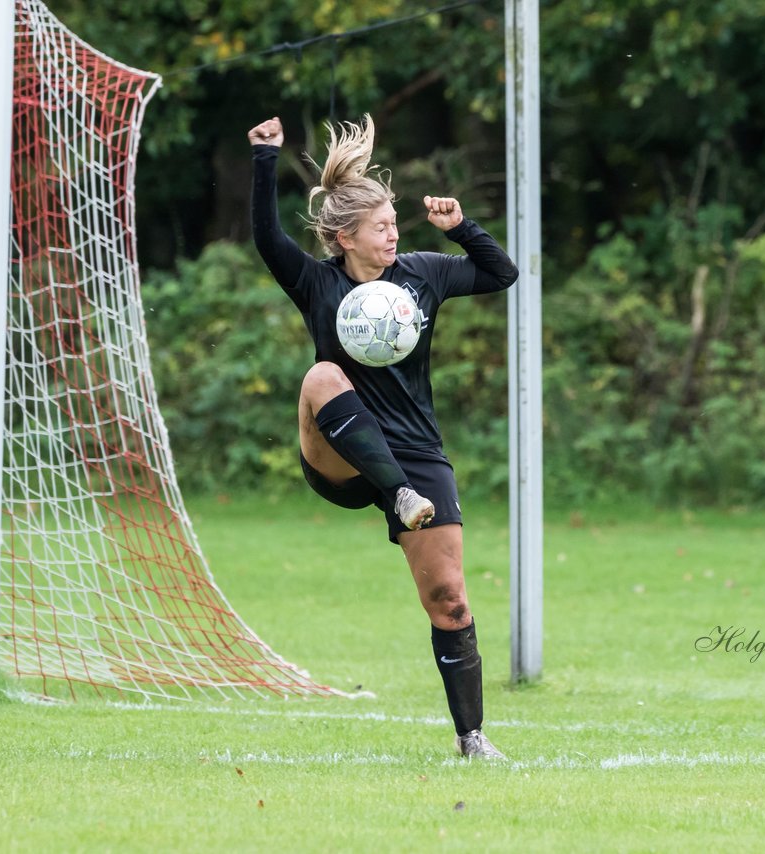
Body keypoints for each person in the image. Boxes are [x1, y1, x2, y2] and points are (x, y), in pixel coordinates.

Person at [249, 114, 518, 758]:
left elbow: (500, 273)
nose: (395, 232)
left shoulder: (422, 273)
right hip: (342, 459)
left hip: (416, 451)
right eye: (382, 226)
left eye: (396, 220)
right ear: (346, 238)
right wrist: (265, 159)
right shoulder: (318, 281)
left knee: (449, 601)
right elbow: (266, 238)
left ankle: (472, 739)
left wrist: (460, 228)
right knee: (319, 374)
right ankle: (396, 495)